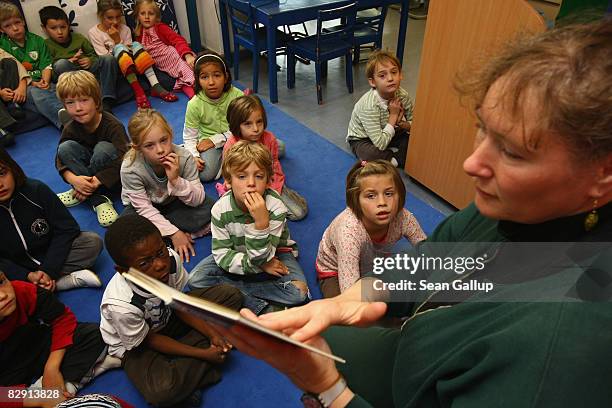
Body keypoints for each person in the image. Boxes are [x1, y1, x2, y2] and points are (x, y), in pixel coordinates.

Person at [211, 20, 612, 407]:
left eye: (511, 151)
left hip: (427, 374)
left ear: (602, 173)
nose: (472, 162)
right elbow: (432, 256)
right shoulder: (520, 207)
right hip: (421, 349)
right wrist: (350, 299)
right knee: (323, 330)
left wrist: (330, 391)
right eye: (482, 128)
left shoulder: (562, 346)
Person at [101, 214, 243, 407]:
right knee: (162, 392)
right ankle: (203, 358)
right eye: (144, 263)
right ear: (123, 271)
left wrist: (212, 334)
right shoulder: (122, 306)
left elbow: (180, 305)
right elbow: (150, 340)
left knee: (230, 296)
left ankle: (188, 368)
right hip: (138, 344)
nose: (160, 265)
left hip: (170, 316)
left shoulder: (171, 261)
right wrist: (202, 354)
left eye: (160, 252)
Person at [188, 141, 309, 315]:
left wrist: (260, 224)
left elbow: (265, 255)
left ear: (268, 181)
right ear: (228, 181)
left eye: (259, 176)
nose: (251, 183)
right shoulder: (220, 210)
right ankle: (262, 306)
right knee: (195, 280)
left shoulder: (275, 207)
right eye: (242, 176)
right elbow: (222, 254)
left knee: (299, 293)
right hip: (238, 254)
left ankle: (237, 295)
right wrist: (260, 267)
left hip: (275, 253)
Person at [317, 160, 426, 298]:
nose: (382, 203)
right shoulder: (348, 232)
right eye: (370, 196)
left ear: (400, 195)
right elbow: (350, 295)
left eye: (389, 194)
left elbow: (428, 252)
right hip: (336, 270)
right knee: (345, 313)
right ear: (356, 200)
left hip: (373, 262)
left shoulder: (403, 217)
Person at [0, 147, 103, 291]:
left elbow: (67, 229)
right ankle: (59, 283)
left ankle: (39, 287)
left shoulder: (36, 190)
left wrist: (49, 270)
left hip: (52, 255)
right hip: (16, 267)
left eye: (2, 173)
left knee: (92, 243)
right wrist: (26, 275)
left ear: (12, 168)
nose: (0, 184)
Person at [0, 270, 113, 401]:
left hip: (36, 345)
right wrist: (37, 398)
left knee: (96, 334)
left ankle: (57, 389)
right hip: (6, 374)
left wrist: (52, 367)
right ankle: (73, 381)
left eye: (1, 281)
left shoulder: (22, 290)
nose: (3, 295)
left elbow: (62, 318)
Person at [120, 109, 215, 262]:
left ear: (171, 134)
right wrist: (175, 233)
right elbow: (143, 208)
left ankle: (161, 237)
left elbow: (197, 199)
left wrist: (176, 180)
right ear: (137, 148)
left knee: (214, 209)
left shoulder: (184, 157)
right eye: (149, 145)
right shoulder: (130, 168)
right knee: (124, 228)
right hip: (146, 208)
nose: (160, 150)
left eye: (164, 140)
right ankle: (179, 233)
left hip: (175, 202)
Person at [55, 70, 128, 228]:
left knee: (103, 149)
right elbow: (60, 157)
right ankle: (95, 197)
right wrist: (73, 179)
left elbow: (127, 159)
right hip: (87, 174)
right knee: (65, 147)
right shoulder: (70, 127)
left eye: (83, 100)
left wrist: (96, 181)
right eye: (70, 103)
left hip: (114, 179)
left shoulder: (113, 125)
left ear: (96, 101)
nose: (78, 108)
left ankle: (88, 194)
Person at [220, 94, 308, 221]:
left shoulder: (269, 139)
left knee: (299, 213)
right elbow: (228, 175)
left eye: (259, 122)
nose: (256, 129)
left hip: (267, 183)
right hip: (245, 186)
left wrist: (273, 190)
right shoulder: (231, 146)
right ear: (236, 125)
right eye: (248, 124)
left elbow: (274, 167)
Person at [88, 0, 177, 109]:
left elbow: (130, 54)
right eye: (110, 18)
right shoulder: (94, 32)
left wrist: (120, 43)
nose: (115, 21)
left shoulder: (125, 29)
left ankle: (155, 86)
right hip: (112, 68)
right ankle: (138, 92)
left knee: (135, 44)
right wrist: (116, 41)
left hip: (129, 67)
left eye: (118, 17)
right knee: (119, 49)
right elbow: (106, 59)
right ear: (101, 16)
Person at [39, 5, 118, 113]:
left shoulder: (79, 38)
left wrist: (89, 60)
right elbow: (49, 68)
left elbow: (94, 55)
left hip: (87, 72)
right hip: (69, 78)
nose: (59, 32)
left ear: (68, 25)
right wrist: (68, 61)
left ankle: (106, 101)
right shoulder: (46, 45)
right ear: (44, 28)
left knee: (108, 59)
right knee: (61, 64)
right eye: (53, 28)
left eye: (63, 27)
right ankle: (83, 99)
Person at [0, 1, 65, 129]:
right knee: (36, 93)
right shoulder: (3, 46)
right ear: (1, 29)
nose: (15, 28)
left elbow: (46, 65)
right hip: (22, 90)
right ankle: (67, 121)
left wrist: (44, 81)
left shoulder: (37, 41)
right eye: (8, 26)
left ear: (23, 21)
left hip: (43, 84)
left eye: (17, 22)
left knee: (58, 88)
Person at [183, 52, 243, 182]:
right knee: (205, 174)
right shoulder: (194, 104)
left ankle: (229, 159)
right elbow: (189, 136)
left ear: (226, 77)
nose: (211, 82)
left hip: (237, 137)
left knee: (278, 148)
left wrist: (216, 140)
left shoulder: (238, 96)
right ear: (198, 80)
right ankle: (232, 159)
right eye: (204, 77)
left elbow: (244, 127)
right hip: (209, 144)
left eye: (217, 75)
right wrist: (194, 156)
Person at [346, 50, 413, 168]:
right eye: (382, 75)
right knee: (369, 153)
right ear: (372, 82)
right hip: (364, 138)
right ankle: (396, 160)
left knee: (415, 141)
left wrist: (401, 123)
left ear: (400, 74)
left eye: (394, 72)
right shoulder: (368, 106)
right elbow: (380, 144)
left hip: (391, 131)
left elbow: (414, 124)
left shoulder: (403, 95)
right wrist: (393, 116)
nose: (390, 78)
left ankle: (390, 160)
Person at [133, 0, 195, 98]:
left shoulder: (160, 28)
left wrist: (187, 55)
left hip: (177, 60)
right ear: (137, 16)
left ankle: (198, 96)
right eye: (142, 13)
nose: (146, 17)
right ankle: (192, 96)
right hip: (164, 68)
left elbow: (178, 40)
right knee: (180, 82)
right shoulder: (138, 35)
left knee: (193, 78)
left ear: (157, 17)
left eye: (151, 14)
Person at [0, 47, 28, 146]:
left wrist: (22, 85)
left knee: (9, 62)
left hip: (5, 90)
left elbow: (17, 64)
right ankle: (4, 126)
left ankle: (11, 102)